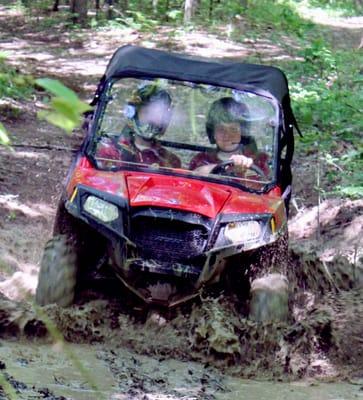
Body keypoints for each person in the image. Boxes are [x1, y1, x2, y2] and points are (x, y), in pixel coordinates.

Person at [96, 82, 181, 169]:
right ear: (134, 115)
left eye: (160, 114)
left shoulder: (170, 161)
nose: (154, 119)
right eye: (147, 113)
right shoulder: (110, 154)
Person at [189, 97, 269, 177]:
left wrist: (246, 166)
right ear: (213, 133)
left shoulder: (259, 159)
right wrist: (226, 167)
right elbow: (194, 175)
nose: (227, 135)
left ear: (242, 132)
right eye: (221, 129)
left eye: (233, 129)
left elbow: (266, 183)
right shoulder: (202, 159)